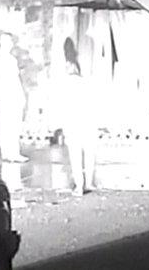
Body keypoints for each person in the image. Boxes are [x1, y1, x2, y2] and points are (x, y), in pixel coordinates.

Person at [61, 58, 98, 195]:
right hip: (87, 121)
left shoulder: (65, 84)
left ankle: (79, 186)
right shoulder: (85, 83)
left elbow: (64, 107)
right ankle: (89, 183)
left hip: (73, 122)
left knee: (75, 155)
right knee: (89, 154)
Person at [0, 31, 27, 162]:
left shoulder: (10, 58)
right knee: (8, 124)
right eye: (9, 41)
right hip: (7, 96)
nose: (11, 44)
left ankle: (12, 152)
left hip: (12, 95)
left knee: (13, 125)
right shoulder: (0, 59)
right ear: (3, 42)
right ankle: (9, 153)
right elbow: (3, 80)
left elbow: (16, 79)